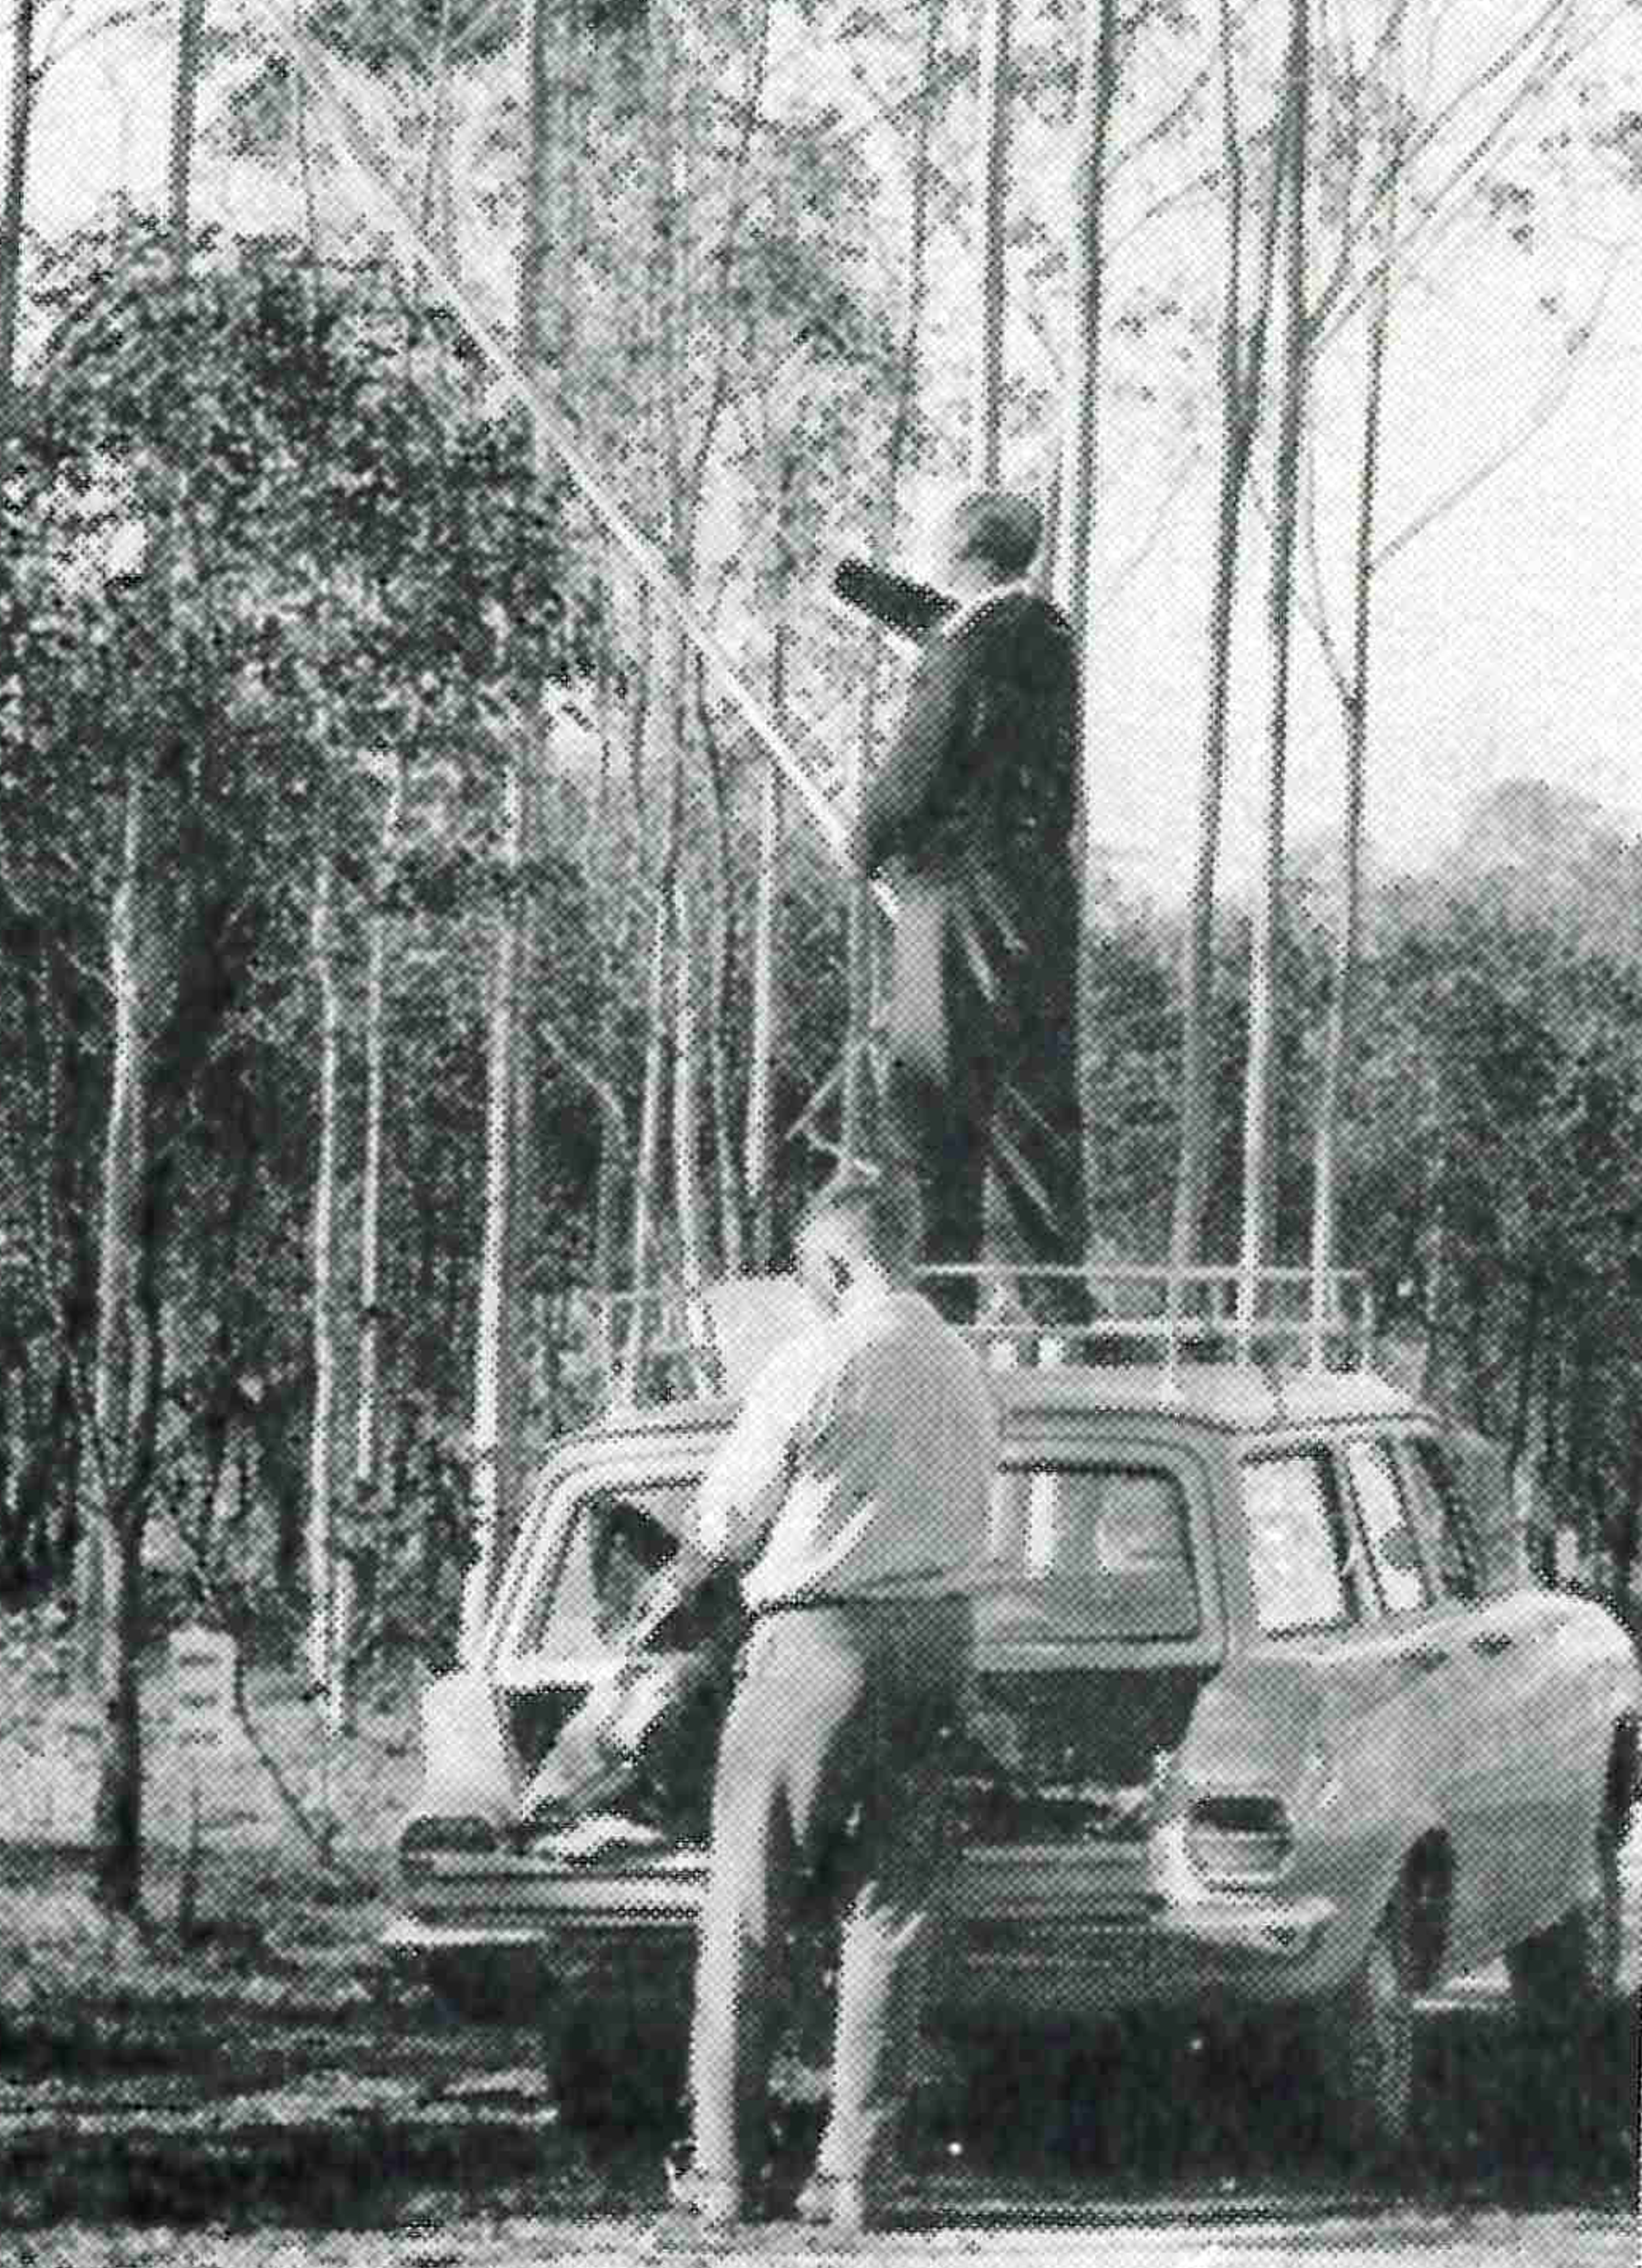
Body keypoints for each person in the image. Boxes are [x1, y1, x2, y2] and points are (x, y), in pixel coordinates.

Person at [622, 1162, 998, 2236]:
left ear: (835, 1260)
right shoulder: (968, 1368)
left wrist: (677, 1587)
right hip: (937, 1643)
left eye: (810, 1269)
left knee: (751, 1910)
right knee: (891, 1915)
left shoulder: (819, 1358)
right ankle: (857, 2176)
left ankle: (723, 2174)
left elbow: (732, 1512)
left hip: (818, 1645)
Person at [848, 488, 1088, 1322]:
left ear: (964, 555)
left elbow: (913, 773)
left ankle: (935, 1304)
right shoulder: (1044, 634)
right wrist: (852, 583)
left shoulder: (963, 655)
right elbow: (956, 626)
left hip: (956, 901)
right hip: (1036, 905)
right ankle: (1063, 1312)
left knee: (934, 1101)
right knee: (1033, 1106)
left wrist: (864, 844)